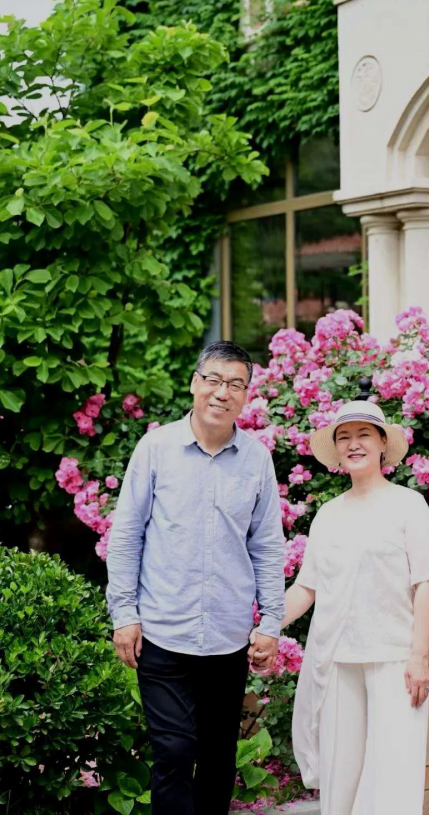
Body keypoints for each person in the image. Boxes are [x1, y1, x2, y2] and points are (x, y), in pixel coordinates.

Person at [106, 341, 285, 815]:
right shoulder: (156, 449)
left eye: (235, 384)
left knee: (218, 760)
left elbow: (267, 544)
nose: (222, 392)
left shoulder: (256, 460)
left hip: (227, 640)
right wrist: (124, 613)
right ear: (194, 383)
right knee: (174, 753)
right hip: (163, 634)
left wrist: (270, 623)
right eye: (213, 379)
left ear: (246, 395)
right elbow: (126, 535)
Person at [283, 400, 429, 815]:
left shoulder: (409, 504)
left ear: (383, 443)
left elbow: (426, 582)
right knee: (340, 776)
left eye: (364, 434)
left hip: (394, 659)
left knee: (393, 775)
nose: (354, 444)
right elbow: (306, 587)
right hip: (335, 660)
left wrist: (419, 656)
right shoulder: (329, 515)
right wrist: (263, 623)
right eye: (344, 437)